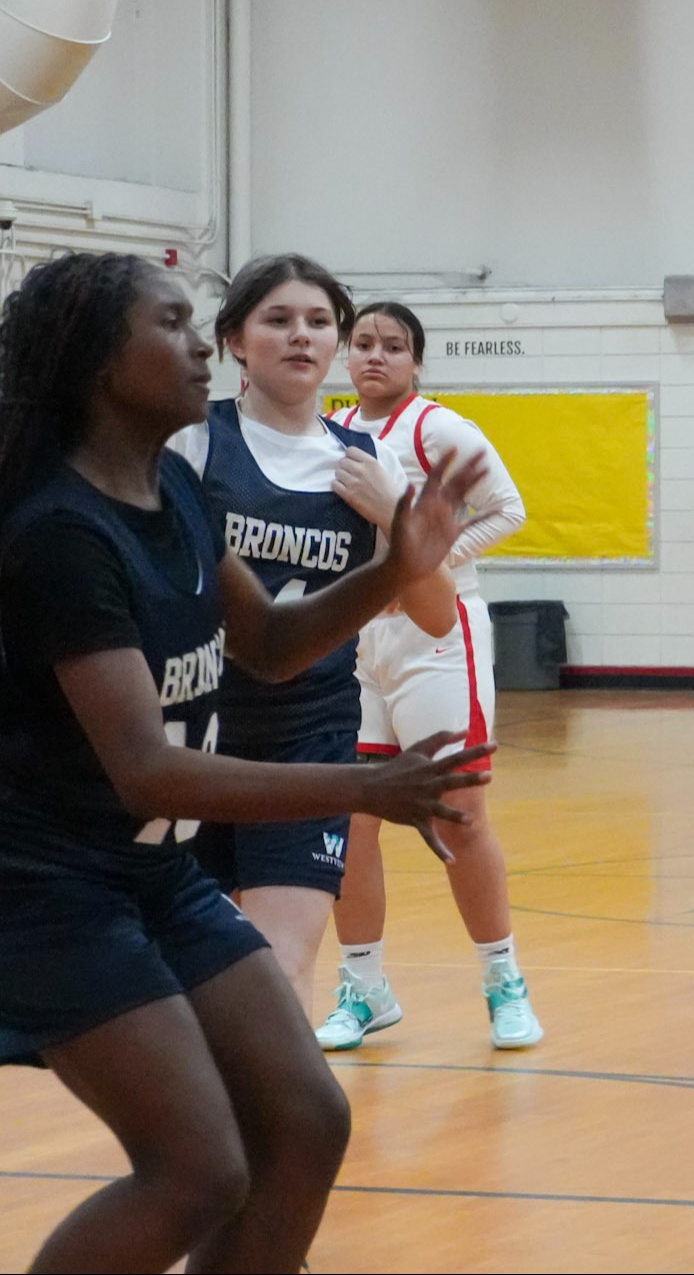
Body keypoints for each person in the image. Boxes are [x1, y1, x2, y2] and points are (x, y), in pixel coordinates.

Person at [0, 251, 491, 1271]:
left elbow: (266, 642)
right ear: (99, 363)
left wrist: (398, 568)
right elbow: (144, 768)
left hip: (154, 873)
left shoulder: (170, 486)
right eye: (172, 325)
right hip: (49, 889)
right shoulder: (57, 532)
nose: (197, 346)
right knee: (196, 1169)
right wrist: (366, 784)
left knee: (308, 1120)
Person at [167, 255, 457, 997]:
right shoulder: (192, 443)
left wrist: (396, 514)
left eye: (320, 322)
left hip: (308, 733)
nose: (302, 336)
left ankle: (267, 1109)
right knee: (193, 975)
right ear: (235, 338)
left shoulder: (368, 459)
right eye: (279, 319)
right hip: (194, 731)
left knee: (277, 970)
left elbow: (434, 615)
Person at [320, 300, 540, 1051]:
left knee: (460, 817)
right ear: (347, 356)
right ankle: (363, 986)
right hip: (354, 637)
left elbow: (508, 509)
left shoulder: (437, 428)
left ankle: (503, 979)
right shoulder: (332, 430)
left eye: (394, 345)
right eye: (363, 343)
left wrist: (437, 559)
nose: (376, 355)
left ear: (417, 362)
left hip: (436, 636)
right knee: (350, 825)